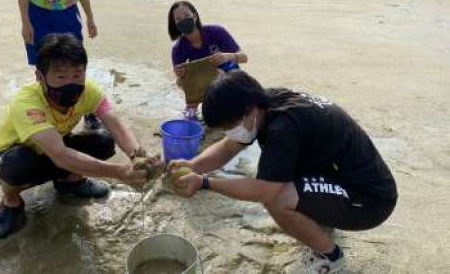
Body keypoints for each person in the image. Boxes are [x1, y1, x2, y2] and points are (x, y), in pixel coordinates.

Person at [169, 71, 398, 273]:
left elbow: (265, 191)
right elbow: (230, 145)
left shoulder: (282, 128)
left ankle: (331, 258)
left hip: (370, 200)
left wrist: (204, 182)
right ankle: (323, 229)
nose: (229, 132)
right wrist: (193, 165)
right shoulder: (264, 103)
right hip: (341, 177)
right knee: (279, 174)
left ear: (250, 111)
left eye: (230, 126)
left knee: (278, 198)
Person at [0, 34, 157, 241]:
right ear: (40, 76)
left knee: (104, 140)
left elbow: (116, 125)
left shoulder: (88, 90)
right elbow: (60, 155)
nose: (71, 84)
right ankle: (11, 201)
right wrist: (120, 172)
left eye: (77, 74)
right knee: (16, 164)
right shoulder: (26, 102)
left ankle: (70, 181)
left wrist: (138, 157)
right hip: (14, 156)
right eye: (61, 77)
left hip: (58, 148)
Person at [168, 0, 248, 120]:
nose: (184, 21)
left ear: (194, 16)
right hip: (204, 83)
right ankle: (193, 112)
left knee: (236, 112)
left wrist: (228, 56)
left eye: (187, 16)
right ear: (175, 24)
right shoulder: (178, 48)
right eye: (178, 20)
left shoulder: (216, 32)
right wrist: (181, 76)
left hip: (229, 78)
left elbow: (244, 57)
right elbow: (180, 82)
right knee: (190, 102)